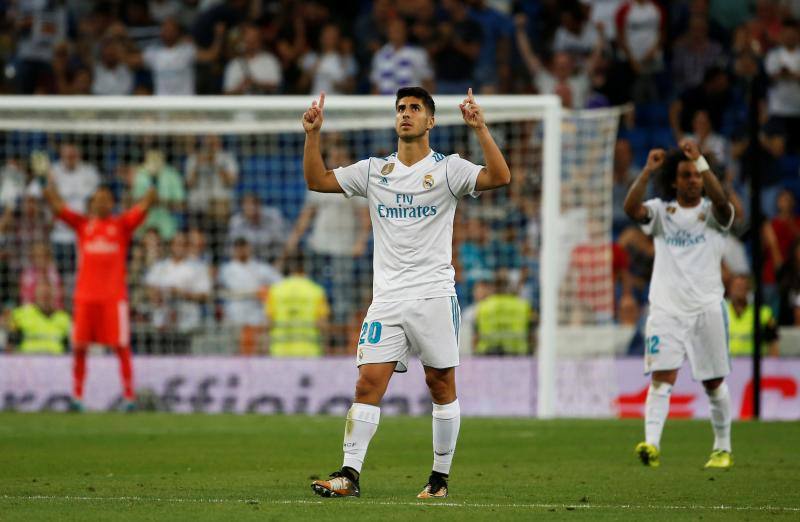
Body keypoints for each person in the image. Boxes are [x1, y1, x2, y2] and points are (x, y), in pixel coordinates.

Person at [303, 86, 510, 498]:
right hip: (388, 300)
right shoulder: (374, 171)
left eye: (415, 108)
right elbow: (317, 180)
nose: (406, 114)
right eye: (401, 108)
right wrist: (313, 134)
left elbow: (500, 177)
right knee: (367, 384)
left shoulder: (449, 169)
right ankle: (349, 474)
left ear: (430, 121)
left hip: (434, 294)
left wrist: (481, 128)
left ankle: (439, 479)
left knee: (440, 386)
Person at [623, 139, 735, 469]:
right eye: (686, 175)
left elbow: (724, 204)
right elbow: (631, 209)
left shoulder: (713, 214)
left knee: (714, 383)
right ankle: (652, 445)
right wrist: (646, 171)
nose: (692, 180)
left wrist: (700, 160)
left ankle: (722, 448)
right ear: (675, 180)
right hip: (667, 309)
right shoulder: (661, 211)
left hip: (706, 308)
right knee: (661, 379)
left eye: (696, 175)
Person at [42, 176, 157, 412]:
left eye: (106, 199)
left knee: (121, 347)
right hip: (85, 297)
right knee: (79, 347)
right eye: (98, 200)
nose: (102, 203)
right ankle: (77, 397)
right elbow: (56, 206)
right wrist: (46, 180)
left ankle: (129, 397)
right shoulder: (83, 225)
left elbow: (146, 204)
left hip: (113, 299)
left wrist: (152, 180)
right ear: (91, 204)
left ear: (112, 203)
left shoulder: (122, 225)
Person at [265, 252, 329, 358]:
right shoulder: (316, 291)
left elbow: (269, 323)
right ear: (305, 266)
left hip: (280, 351)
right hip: (308, 351)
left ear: (289, 267)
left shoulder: (275, 290)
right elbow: (322, 324)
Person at [8, 281, 71, 355]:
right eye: (43, 296)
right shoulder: (21, 314)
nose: (45, 300)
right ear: (36, 295)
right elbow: (10, 344)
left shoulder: (64, 317)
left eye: (48, 296)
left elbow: (70, 346)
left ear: (55, 296)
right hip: (27, 360)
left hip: (57, 361)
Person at [726, 274, 779, 357]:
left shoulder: (764, 313)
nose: (740, 290)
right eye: (737, 286)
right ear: (729, 289)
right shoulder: (720, 312)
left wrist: (772, 366)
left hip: (753, 364)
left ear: (749, 289)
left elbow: (773, 345)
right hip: (727, 364)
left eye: (743, 287)